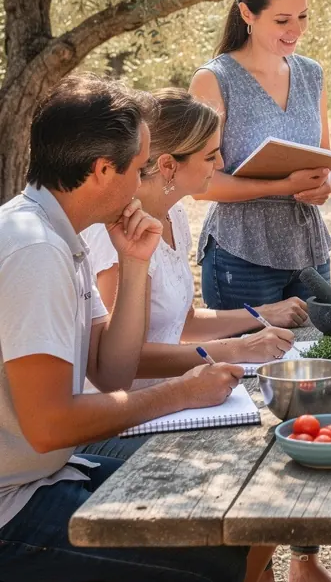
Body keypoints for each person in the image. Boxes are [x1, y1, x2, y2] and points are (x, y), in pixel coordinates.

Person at [0, 75, 298, 582]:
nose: (148, 181)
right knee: (217, 565)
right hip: (13, 510)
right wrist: (180, 391)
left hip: (43, 476)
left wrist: (135, 266)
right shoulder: (34, 253)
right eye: (140, 168)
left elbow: (109, 369)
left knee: (229, 520)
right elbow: (50, 423)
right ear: (103, 170)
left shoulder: (56, 234)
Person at [190, 0, 331, 582]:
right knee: (254, 411)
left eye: (302, 19)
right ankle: (256, 575)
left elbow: (316, 168)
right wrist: (277, 185)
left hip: (306, 252)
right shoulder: (216, 79)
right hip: (240, 261)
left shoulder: (314, 74)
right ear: (247, 14)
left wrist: (318, 185)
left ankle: (305, 562)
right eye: (281, 20)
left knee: (317, 402)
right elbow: (201, 184)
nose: (294, 32)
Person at [83, 89, 306, 396]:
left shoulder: (174, 213)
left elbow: (180, 321)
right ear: (168, 165)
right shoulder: (116, 232)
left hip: (172, 395)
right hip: (126, 411)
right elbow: (119, 360)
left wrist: (263, 313)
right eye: (211, 156)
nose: (221, 163)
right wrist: (239, 347)